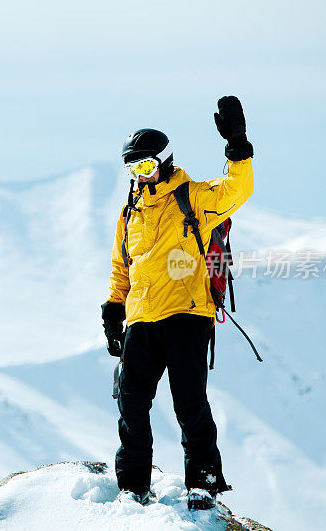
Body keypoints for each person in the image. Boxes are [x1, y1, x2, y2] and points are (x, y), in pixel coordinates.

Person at [101, 96, 254, 510]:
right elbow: (122, 268)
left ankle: (203, 483)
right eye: (133, 168)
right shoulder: (130, 212)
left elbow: (239, 190)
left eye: (146, 166)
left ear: (164, 162)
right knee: (131, 403)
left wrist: (237, 147)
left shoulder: (194, 197)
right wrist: (115, 311)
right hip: (142, 319)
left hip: (187, 314)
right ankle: (133, 486)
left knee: (189, 403)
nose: (140, 175)